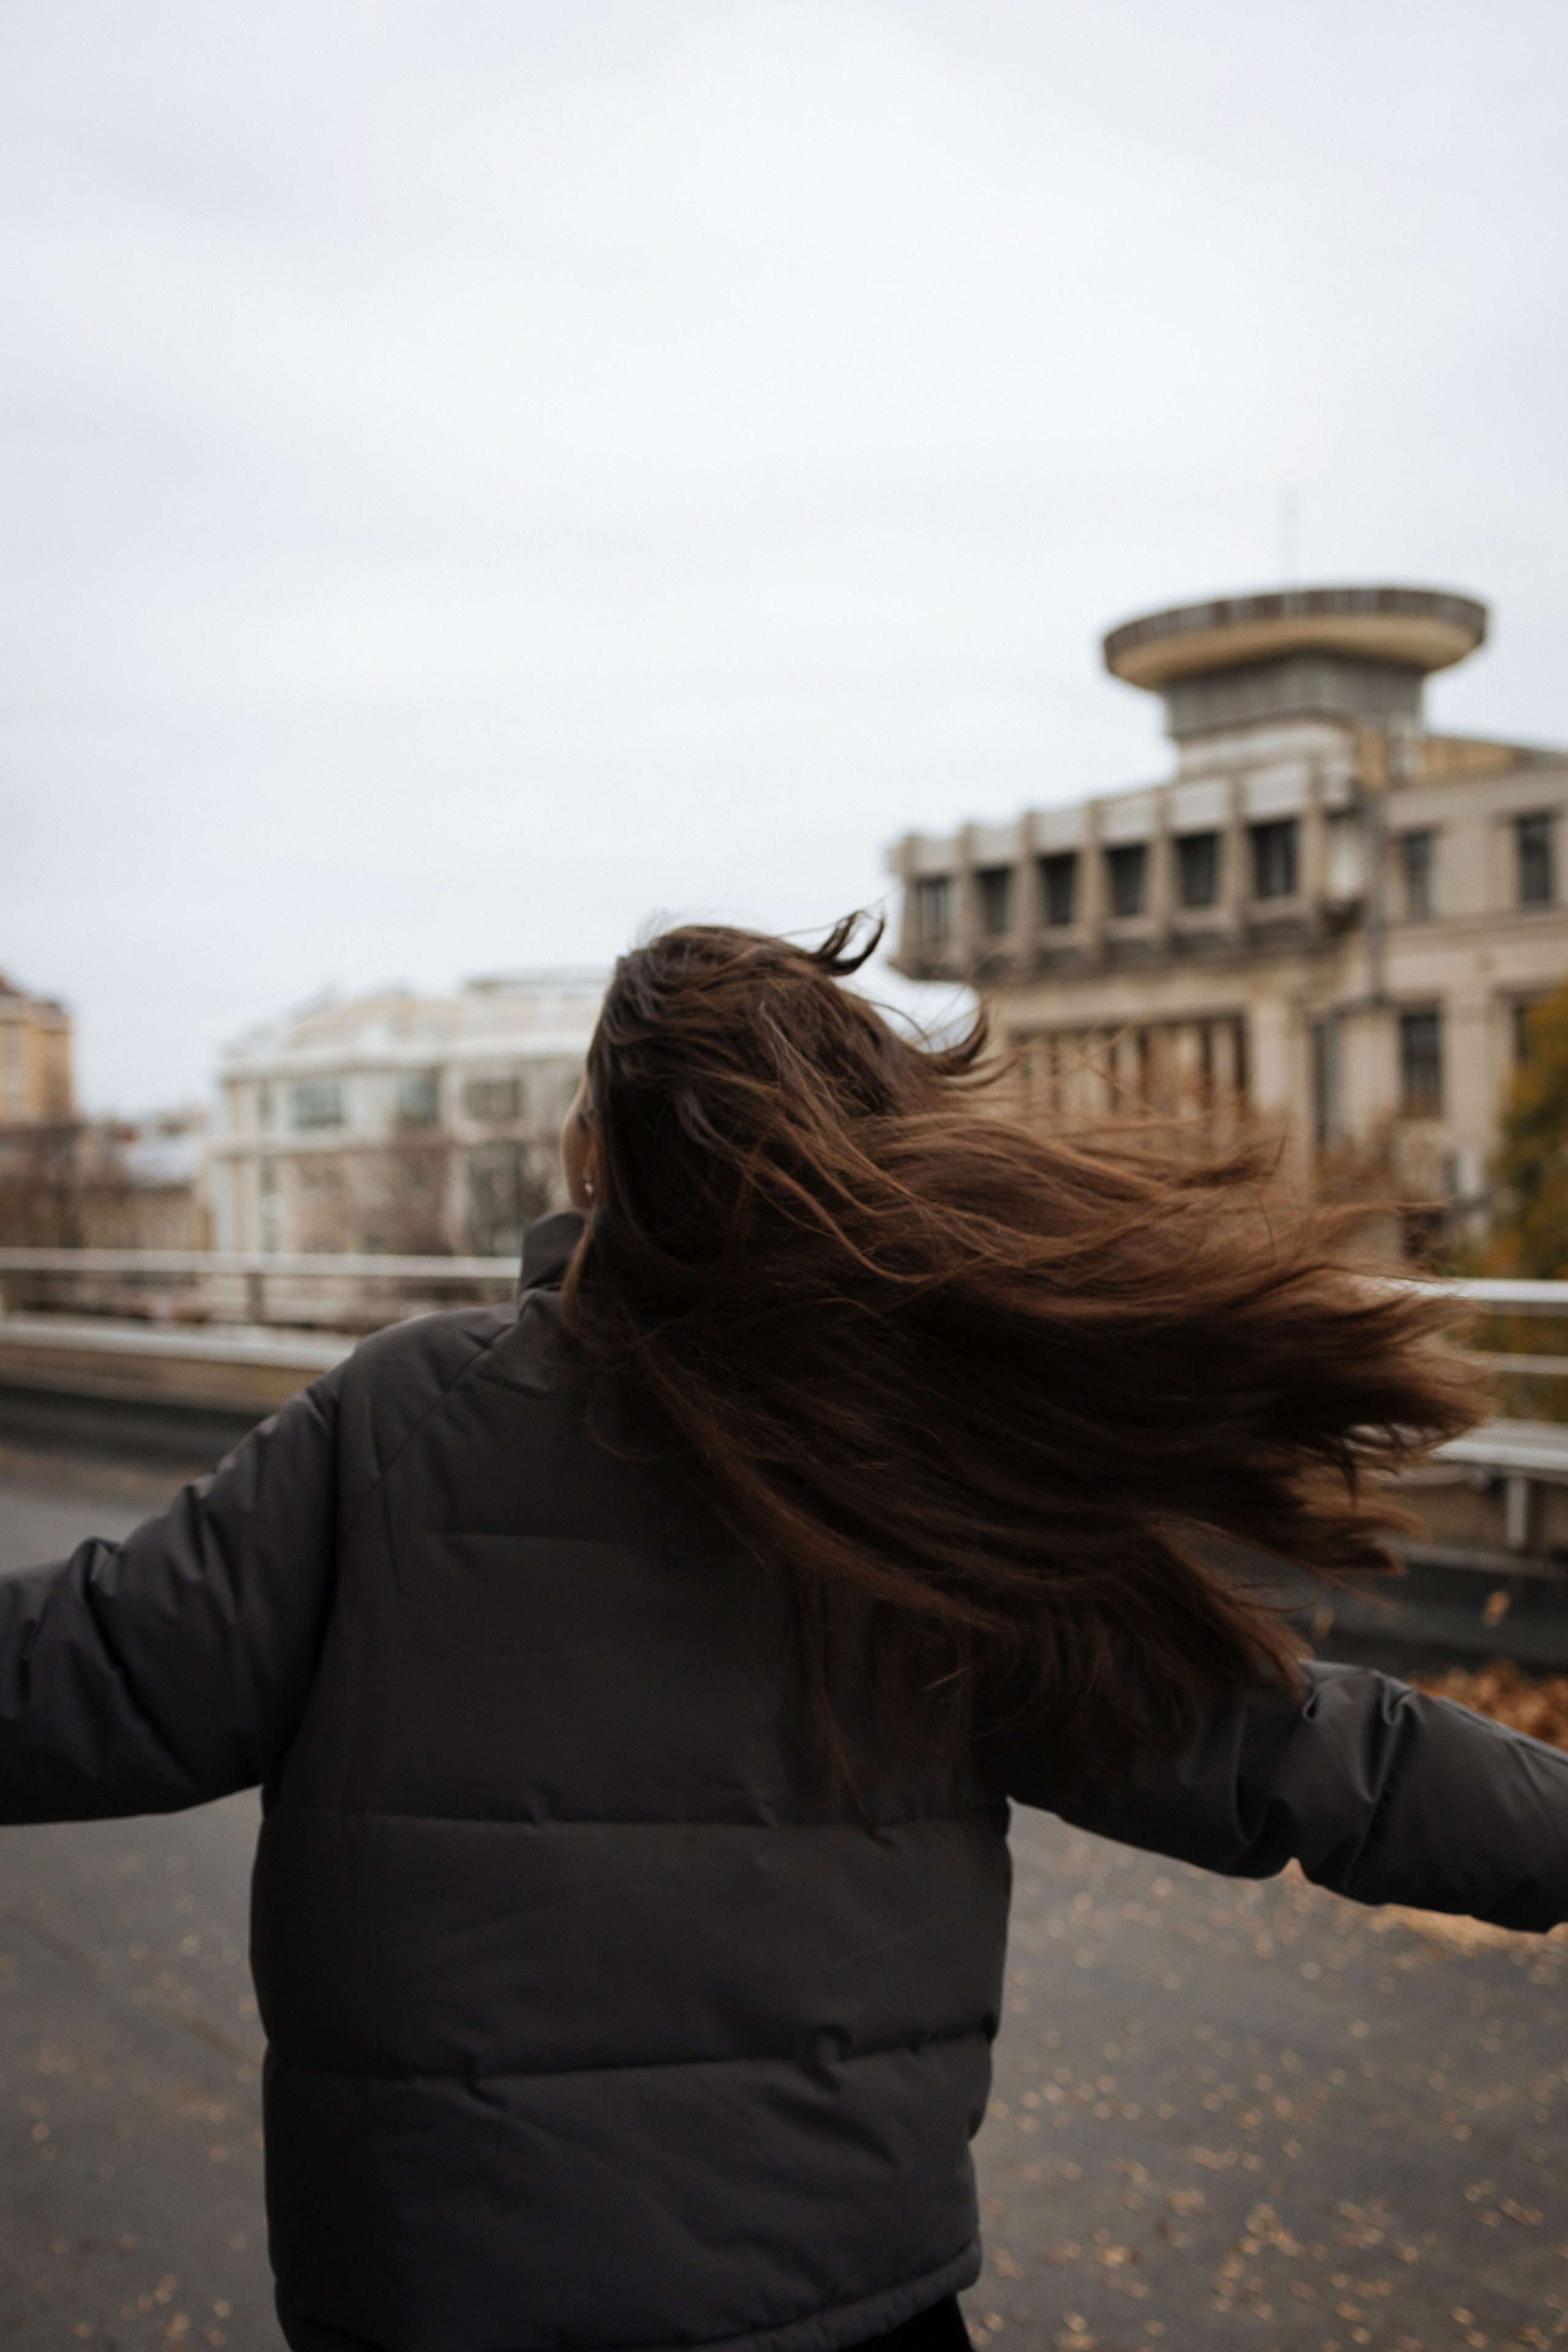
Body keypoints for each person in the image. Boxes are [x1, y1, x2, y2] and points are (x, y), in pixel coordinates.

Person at [2, 915, 1566, 2352]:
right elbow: (1290, 1749)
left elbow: (88, 1676)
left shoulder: (406, 1419)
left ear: (592, 1159)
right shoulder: (904, 1461)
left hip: (446, 2291)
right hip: (840, 2297)